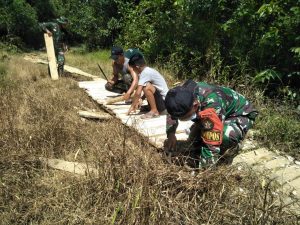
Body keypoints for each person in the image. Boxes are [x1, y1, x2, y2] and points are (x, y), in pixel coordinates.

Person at [164, 79, 258, 169]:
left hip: (240, 114)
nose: (182, 119)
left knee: (225, 136)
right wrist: (171, 133)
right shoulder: (178, 95)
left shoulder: (212, 105)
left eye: (186, 117)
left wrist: (205, 173)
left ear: (195, 105)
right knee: (194, 142)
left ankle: (236, 145)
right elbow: (172, 113)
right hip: (217, 112)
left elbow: (211, 144)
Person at [127, 52, 169, 119]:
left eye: (133, 68)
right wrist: (141, 99)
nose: (133, 70)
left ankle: (154, 111)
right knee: (146, 86)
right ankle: (151, 108)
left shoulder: (145, 73)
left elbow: (138, 93)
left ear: (137, 67)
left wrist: (132, 105)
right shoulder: (147, 71)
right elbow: (153, 90)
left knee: (146, 86)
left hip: (165, 104)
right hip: (164, 102)